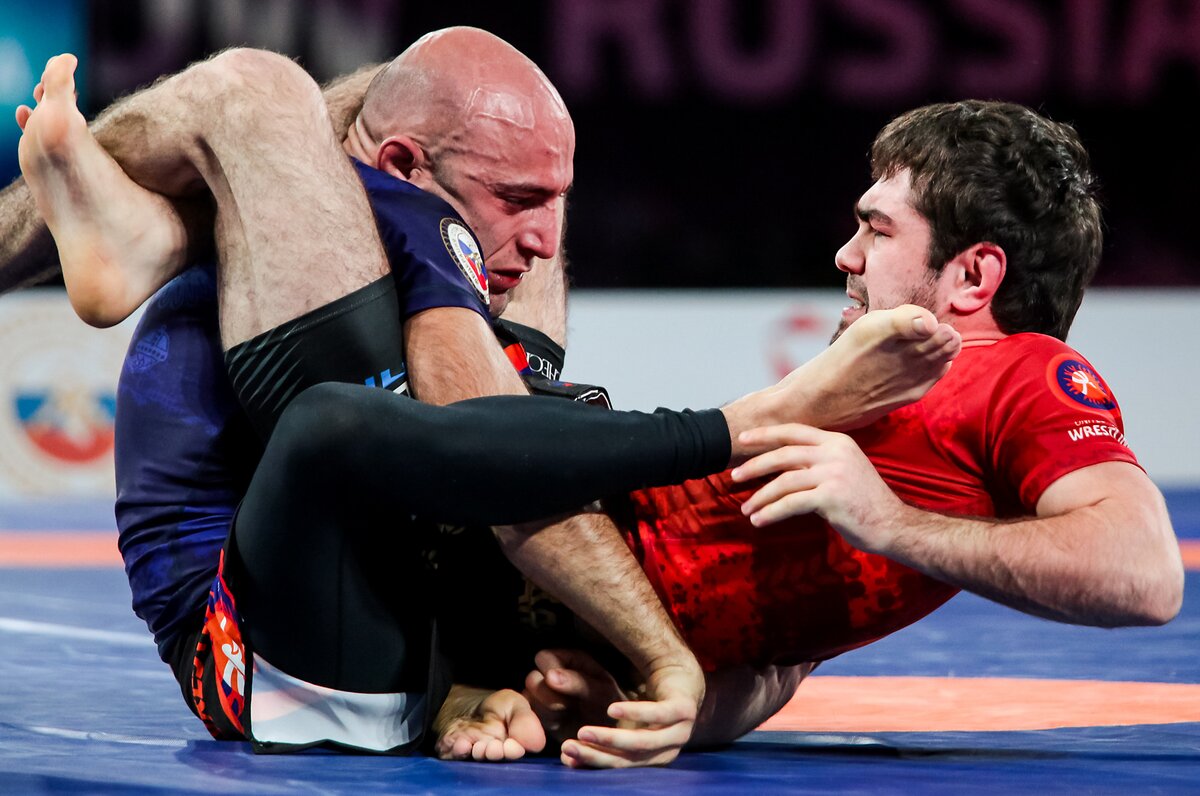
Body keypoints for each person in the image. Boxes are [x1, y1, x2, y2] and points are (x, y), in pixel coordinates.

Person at [7, 36, 961, 767]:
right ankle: (142, 232)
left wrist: (619, 683)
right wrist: (744, 426)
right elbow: (477, 453)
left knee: (335, 133)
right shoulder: (360, 206)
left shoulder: (397, 207)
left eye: (552, 202)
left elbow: (777, 654)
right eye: (519, 201)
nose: (546, 240)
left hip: (422, 591)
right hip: (263, 638)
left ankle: (145, 232)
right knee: (277, 100)